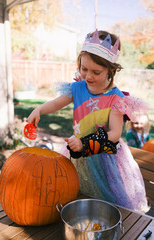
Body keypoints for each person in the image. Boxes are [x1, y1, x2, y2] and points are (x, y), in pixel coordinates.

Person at [28, 29, 149, 213]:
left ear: (111, 70)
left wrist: (85, 143)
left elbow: (115, 134)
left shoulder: (116, 99)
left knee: (108, 199)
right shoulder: (77, 87)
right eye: (84, 69)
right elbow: (55, 103)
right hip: (79, 154)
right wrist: (39, 110)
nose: (88, 76)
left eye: (96, 72)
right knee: (76, 191)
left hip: (105, 156)